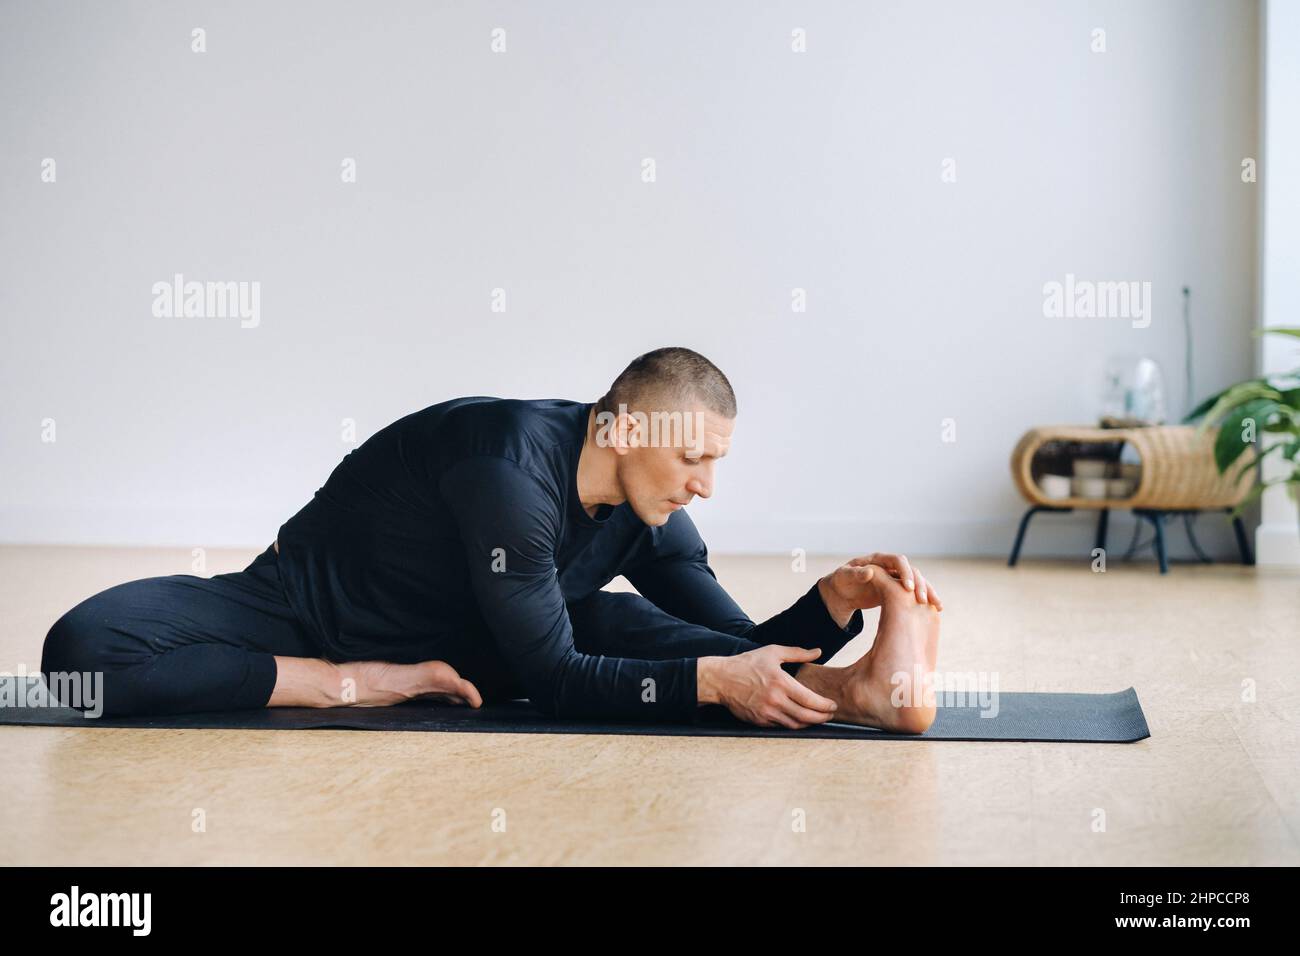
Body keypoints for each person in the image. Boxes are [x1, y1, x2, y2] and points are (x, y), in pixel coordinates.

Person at [41, 347, 942, 732]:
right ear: (623, 431)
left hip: (478, 651)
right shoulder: (507, 470)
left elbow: (739, 647)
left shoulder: (651, 510)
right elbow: (553, 683)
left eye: (717, 462)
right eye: (694, 456)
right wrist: (340, 684)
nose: (706, 482)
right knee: (83, 654)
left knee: (644, 637)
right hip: (303, 615)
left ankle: (854, 690)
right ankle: (335, 683)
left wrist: (831, 605)